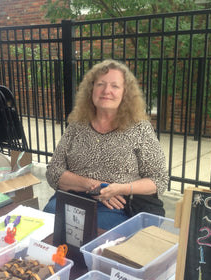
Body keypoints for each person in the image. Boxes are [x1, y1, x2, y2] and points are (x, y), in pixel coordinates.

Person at [43, 59, 169, 230]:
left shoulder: (139, 129)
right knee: (49, 219)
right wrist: (96, 187)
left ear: (125, 93)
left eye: (115, 86)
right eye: (100, 84)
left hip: (119, 206)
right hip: (75, 197)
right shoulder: (77, 126)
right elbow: (54, 172)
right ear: (91, 90)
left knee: (93, 232)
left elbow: (159, 180)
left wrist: (121, 189)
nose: (106, 91)